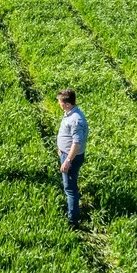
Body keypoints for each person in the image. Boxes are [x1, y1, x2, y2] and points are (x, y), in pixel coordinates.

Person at [56, 89, 88, 224]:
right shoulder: (69, 113)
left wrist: (68, 160)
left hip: (71, 158)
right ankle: (72, 214)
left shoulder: (75, 120)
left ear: (68, 104)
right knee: (69, 186)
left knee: (70, 189)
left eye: (60, 102)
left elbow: (77, 143)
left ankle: (72, 221)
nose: (59, 104)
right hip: (66, 154)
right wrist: (61, 148)